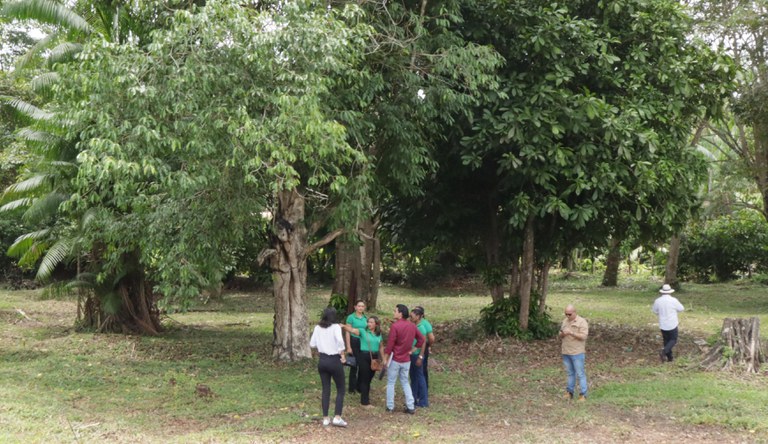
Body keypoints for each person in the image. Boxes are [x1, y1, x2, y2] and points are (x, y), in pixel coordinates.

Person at [309, 307, 348, 427]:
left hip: (323, 360)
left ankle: (325, 418)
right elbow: (340, 342)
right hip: (334, 360)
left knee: (326, 389)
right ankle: (337, 417)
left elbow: (312, 344)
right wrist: (341, 353)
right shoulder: (336, 327)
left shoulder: (317, 327)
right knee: (340, 389)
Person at [384, 304, 425, 414]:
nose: (394, 313)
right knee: (405, 382)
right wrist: (413, 350)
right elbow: (421, 339)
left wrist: (385, 358)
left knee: (391, 382)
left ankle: (390, 406)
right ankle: (411, 406)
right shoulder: (412, 326)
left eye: (395, 311)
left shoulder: (395, 326)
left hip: (395, 359)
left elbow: (390, 344)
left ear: (401, 313)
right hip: (406, 359)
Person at [342, 316, 384, 406]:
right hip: (364, 356)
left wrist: (384, 359)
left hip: (375, 356)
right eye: (368, 322)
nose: (369, 324)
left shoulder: (378, 334)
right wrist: (343, 326)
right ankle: (365, 402)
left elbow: (381, 347)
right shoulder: (363, 331)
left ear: (376, 324)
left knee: (369, 378)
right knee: (365, 378)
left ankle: (362, 391)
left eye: (371, 322)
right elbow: (352, 330)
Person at [559, 304, 588, 401]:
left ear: (575, 312)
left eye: (569, 314)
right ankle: (569, 392)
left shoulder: (582, 322)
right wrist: (563, 333)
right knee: (570, 373)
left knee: (580, 374)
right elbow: (560, 334)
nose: (567, 316)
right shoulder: (565, 321)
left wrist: (571, 333)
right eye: (566, 314)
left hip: (577, 352)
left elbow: (584, 336)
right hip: (566, 351)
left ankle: (583, 394)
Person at [652, 284, 685, 363]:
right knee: (673, 339)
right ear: (670, 292)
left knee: (666, 340)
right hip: (672, 323)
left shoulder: (658, 301)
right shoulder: (673, 300)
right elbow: (681, 308)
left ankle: (669, 357)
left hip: (663, 324)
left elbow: (654, 311)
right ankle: (664, 351)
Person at [409, 307, 434, 407]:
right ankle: (414, 398)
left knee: (420, 377)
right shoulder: (415, 326)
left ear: (418, 316)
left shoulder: (421, 327)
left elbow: (423, 343)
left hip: (417, 355)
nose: (410, 318)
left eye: (412, 316)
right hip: (412, 355)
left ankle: (423, 401)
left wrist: (420, 356)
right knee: (413, 377)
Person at [345, 301, 367, 394]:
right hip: (354, 342)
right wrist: (348, 346)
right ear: (355, 307)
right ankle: (351, 388)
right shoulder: (351, 317)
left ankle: (359, 387)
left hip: (363, 343)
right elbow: (347, 332)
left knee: (362, 366)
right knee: (354, 365)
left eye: (362, 306)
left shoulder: (365, 318)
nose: (361, 308)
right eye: (359, 306)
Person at [413, 306, 434, 389]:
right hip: (414, 348)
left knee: (422, 369)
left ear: (420, 315)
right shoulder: (413, 322)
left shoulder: (425, 323)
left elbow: (431, 338)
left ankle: (423, 389)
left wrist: (428, 345)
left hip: (422, 348)